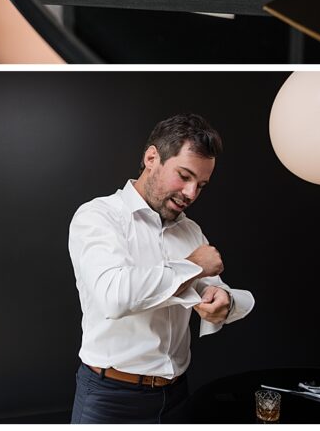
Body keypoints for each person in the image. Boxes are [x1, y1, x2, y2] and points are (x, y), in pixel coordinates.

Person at [67, 114, 255, 423]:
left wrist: (224, 302)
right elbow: (115, 297)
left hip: (176, 396)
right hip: (110, 399)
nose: (191, 193)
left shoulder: (191, 230)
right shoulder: (98, 216)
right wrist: (193, 266)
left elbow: (220, 291)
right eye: (184, 175)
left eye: (201, 185)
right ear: (152, 157)